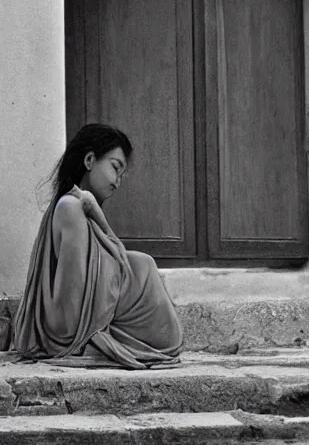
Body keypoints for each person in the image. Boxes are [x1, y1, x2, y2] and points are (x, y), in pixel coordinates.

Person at [13, 123, 183, 369]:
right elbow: (74, 302)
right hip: (72, 329)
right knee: (142, 266)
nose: (117, 182)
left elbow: (112, 260)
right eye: (115, 168)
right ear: (90, 160)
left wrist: (98, 216)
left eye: (122, 175)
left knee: (141, 263)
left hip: (88, 316)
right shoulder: (71, 207)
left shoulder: (83, 207)